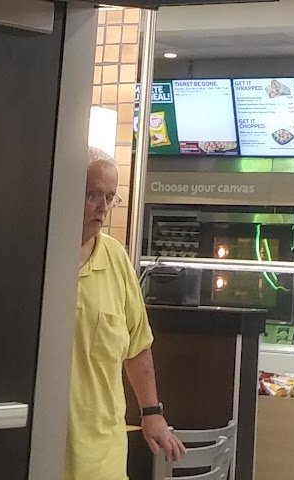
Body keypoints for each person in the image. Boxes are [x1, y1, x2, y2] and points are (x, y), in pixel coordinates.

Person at [69, 148, 184, 479]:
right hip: (43, 443)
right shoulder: (39, 253)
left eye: (110, 198)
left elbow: (138, 345)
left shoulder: (116, 258)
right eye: (92, 195)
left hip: (103, 451)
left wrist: (152, 412)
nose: (103, 208)